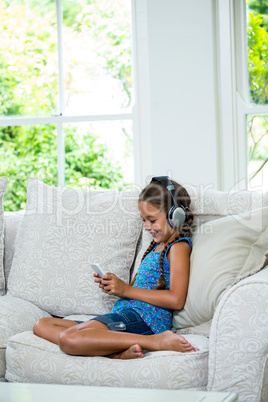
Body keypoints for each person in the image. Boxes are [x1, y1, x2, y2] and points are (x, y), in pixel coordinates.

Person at [33, 176, 199, 359]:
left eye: (152, 220)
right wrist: (116, 288)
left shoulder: (178, 247)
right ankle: (117, 353)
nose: (146, 227)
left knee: (68, 339)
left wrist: (126, 289)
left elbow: (176, 299)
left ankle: (157, 341)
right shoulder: (156, 247)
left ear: (174, 216)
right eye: (144, 220)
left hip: (142, 319)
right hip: (126, 316)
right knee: (42, 324)